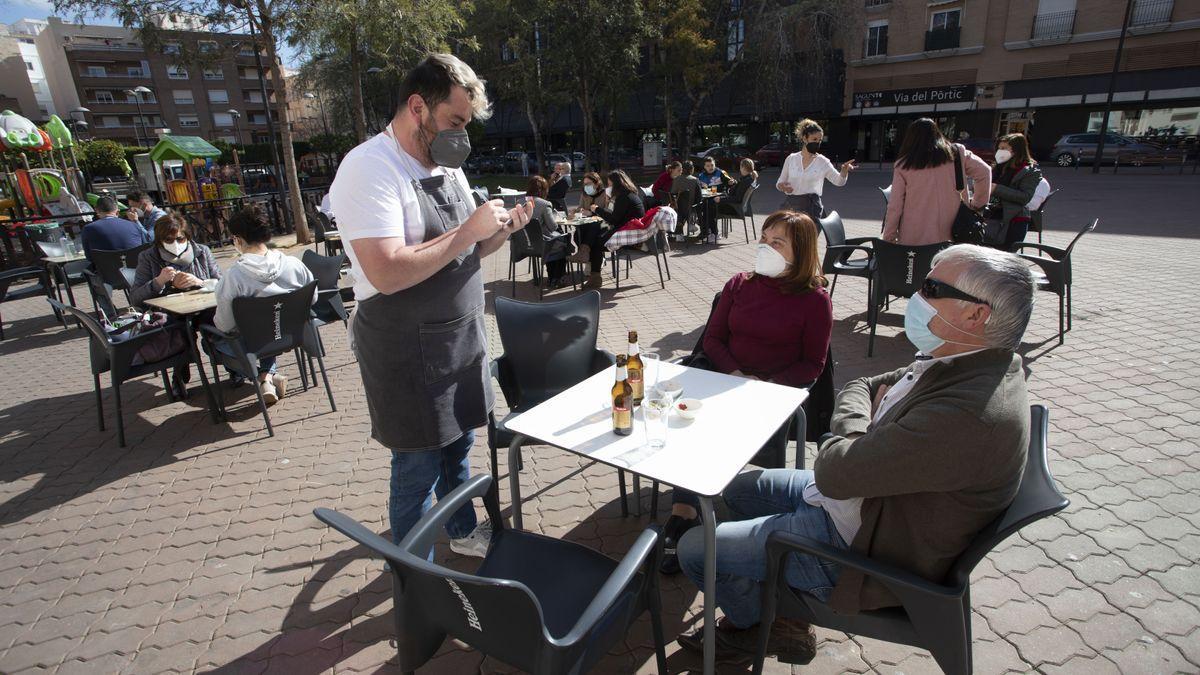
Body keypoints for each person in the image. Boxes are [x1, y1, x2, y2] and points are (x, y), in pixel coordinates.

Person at [673, 244, 1035, 665]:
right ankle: (771, 606)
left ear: (977, 315)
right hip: (865, 504)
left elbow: (835, 470)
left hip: (861, 551)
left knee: (695, 549)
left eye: (932, 287)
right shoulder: (962, 359)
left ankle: (756, 627)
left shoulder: (970, 412)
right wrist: (861, 433)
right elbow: (860, 386)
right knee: (736, 490)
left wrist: (850, 440)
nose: (916, 296)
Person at [328, 54, 532, 555]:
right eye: (455, 122)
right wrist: (468, 230)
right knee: (417, 465)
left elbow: (468, 249)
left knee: (458, 447)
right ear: (418, 106)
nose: (461, 135)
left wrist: (500, 233)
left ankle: (460, 532)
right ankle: (413, 569)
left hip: (459, 336)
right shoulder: (368, 168)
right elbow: (387, 270)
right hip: (404, 345)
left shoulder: (447, 167)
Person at [659, 211, 833, 575]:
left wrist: (766, 385)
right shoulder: (739, 284)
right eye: (763, 239)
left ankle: (732, 513)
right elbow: (713, 339)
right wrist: (736, 373)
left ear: (799, 251)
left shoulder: (814, 299)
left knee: (718, 426)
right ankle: (684, 511)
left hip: (772, 392)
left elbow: (812, 364)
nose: (765, 247)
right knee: (691, 421)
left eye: (776, 242)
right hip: (726, 379)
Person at [213, 206, 316, 405]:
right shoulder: (294, 264)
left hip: (254, 342)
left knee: (209, 343)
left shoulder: (233, 278)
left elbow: (225, 326)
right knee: (266, 329)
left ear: (238, 240)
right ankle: (268, 375)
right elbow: (312, 299)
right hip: (292, 335)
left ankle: (262, 376)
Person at [883, 118, 991, 245]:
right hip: (956, 229)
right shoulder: (957, 153)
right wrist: (977, 205)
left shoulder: (903, 164)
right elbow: (985, 171)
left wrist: (889, 237)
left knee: (916, 263)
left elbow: (895, 206)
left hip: (914, 234)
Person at [129, 213, 221, 307]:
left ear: (187, 236)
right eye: (168, 240)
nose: (175, 244)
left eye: (180, 239)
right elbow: (135, 299)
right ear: (160, 241)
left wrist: (200, 282)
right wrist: (159, 281)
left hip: (204, 307)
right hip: (170, 312)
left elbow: (222, 284)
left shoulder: (202, 252)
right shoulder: (148, 257)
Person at [776, 119, 855, 223]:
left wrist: (844, 171)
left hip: (812, 209)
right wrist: (782, 186)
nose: (817, 143)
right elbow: (779, 182)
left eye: (820, 140)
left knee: (805, 238)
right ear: (805, 138)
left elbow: (839, 182)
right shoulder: (791, 159)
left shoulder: (822, 161)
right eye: (814, 139)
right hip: (791, 207)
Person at [578, 169, 645, 289]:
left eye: (609, 184)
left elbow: (614, 219)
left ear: (616, 184)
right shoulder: (628, 194)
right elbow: (616, 217)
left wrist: (597, 209)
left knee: (596, 243)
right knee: (595, 231)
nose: (608, 187)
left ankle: (593, 274)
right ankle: (585, 253)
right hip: (627, 228)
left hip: (628, 233)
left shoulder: (623, 197)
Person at [986, 133, 1043, 250]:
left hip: (1014, 221)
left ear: (1016, 151)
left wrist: (997, 188)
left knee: (1004, 256)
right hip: (992, 217)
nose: (999, 151)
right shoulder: (998, 167)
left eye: (1004, 148)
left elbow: (1024, 197)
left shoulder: (1030, 171)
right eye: (998, 148)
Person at [520, 175, 574, 290]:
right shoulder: (545, 204)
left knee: (554, 241)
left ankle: (551, 278)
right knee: (563, 240)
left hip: (524, 245)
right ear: (544, 190)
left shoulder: (520, 202)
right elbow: (553, 226)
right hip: (543, 244)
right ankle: (557, 278)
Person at [80, 196, 150, 263]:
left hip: (109, 272)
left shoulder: (88, 229)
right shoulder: (134, 225)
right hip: (137, 269)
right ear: (117, 211)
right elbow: (145, 248)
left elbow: (89, 257)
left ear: (96, 210)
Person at [671, 161, 703, 238]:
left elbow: (672, 193)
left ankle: (679, 234)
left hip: (678, 207)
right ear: (692, 169)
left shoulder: (676, 179)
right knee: (703, 206)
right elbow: (699, 197)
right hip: (691, 207)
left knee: (682, 208)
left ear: (682, 169)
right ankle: (703, 229)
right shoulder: (695, 180)